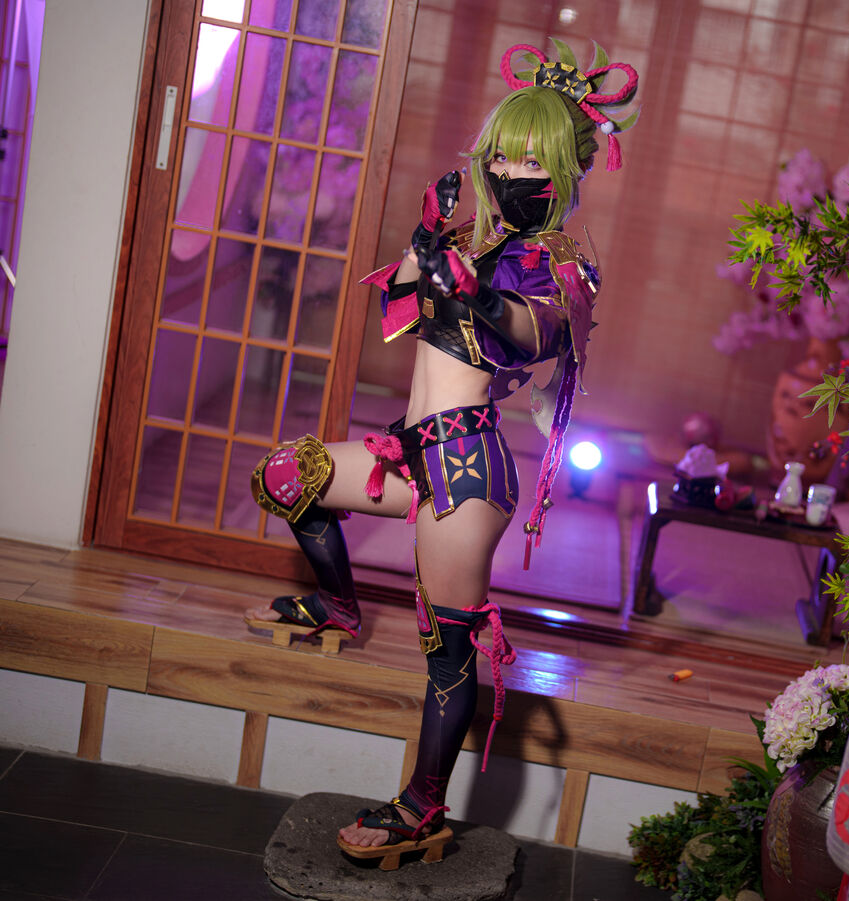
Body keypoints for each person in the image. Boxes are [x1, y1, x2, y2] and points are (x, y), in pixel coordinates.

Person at [243, 39, 638, 865]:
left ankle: (421, 808)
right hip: (411, 449)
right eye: (501, 153)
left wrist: (474, 290)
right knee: (288, 475)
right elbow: (403, 289)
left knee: (448, 654)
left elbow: (532, 332)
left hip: (467, 470)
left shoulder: (561, 265)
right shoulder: (474, 240)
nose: (508, 169)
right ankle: (339, 607)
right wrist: (431, 237)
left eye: (531, 159)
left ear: (567, 170)